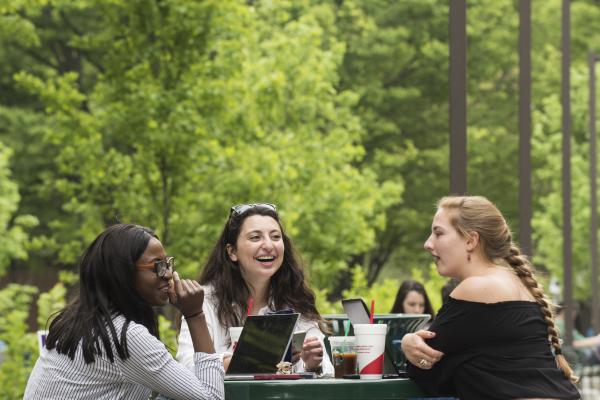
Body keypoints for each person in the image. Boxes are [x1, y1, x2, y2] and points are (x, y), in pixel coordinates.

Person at [401, 196, 580, 400]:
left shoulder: (477, 288)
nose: (428, 244)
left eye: (438, 233)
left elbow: (426, 370)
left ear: (471, 240)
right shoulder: (517, 283)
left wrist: (407, 343)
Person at [24, 224, 224, 400]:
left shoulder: (80, 322)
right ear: (122, 273)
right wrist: (195, 315)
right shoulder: (123, 335)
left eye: (168, 264)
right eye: (158, 266)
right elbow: (211, 397)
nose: (169, 274)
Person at [176, 203, 334, 376]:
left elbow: (326, 370)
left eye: (275, 237)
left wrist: (311, 364)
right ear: (232, 252)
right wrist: (248, 359)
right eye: (255, 237)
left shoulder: (294, 301)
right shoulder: (204, 300)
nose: (268, 245)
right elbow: (187, 366)